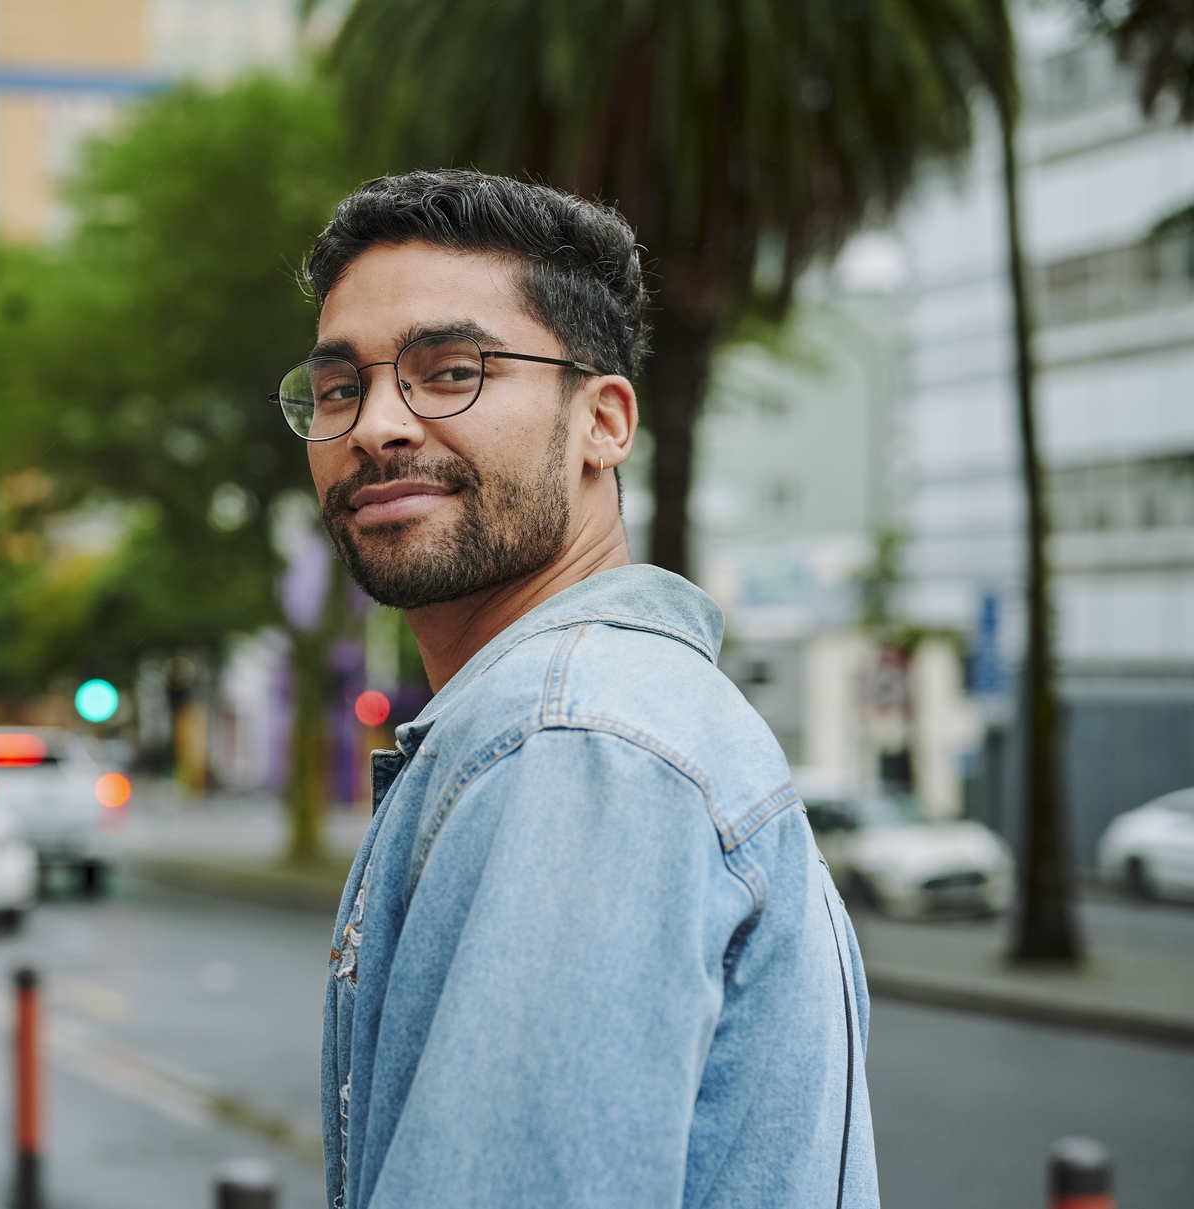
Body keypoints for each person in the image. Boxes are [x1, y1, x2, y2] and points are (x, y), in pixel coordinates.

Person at [278, 170, 877, 1207]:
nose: (376, 425)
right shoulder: (615, 712)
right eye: (340, 388)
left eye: (450, 370)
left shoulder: (573, 737)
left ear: (604, 420)